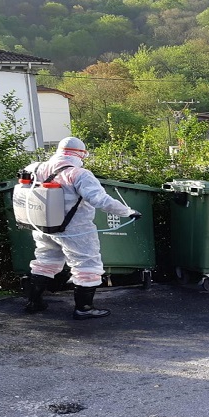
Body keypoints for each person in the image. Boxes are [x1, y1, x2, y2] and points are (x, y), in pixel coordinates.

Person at [23, 137, 141, 319]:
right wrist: (128, 211)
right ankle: (84, 308)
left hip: (42, 226)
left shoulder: (34, 168)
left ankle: (33, 302)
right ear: (81, 154)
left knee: (45, 261)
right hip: (75, 230)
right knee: (87, 265)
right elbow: (100, 200)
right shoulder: (78, 174)